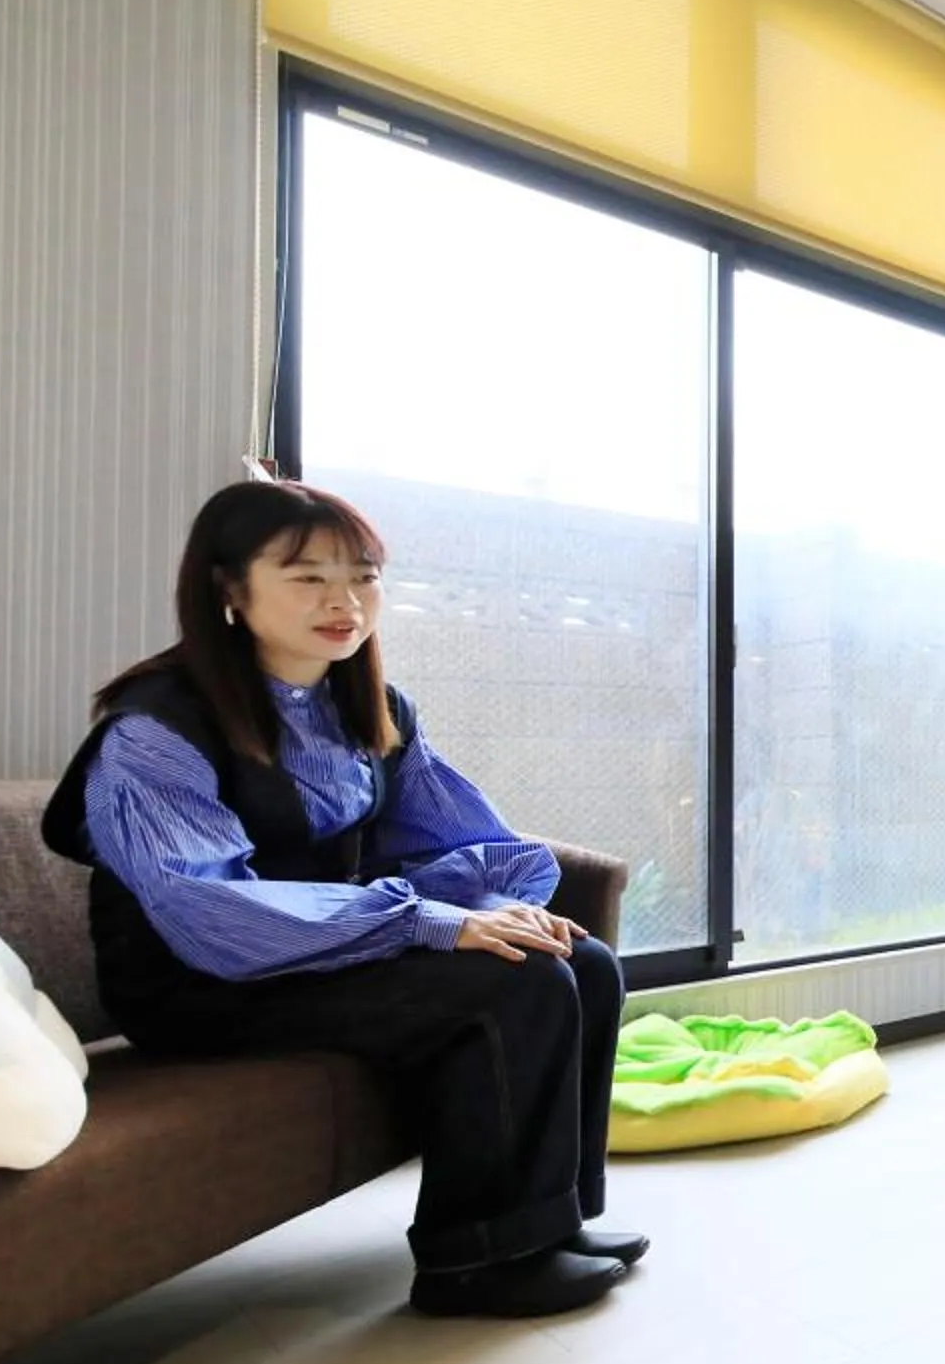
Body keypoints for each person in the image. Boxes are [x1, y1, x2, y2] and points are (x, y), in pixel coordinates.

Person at [42, 480, 645, 1320]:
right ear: (229, 588)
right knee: (513, 983)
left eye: (362, 577)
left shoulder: (369, 708)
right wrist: (425, 921)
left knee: (578, 960)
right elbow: (210, 915)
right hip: (202, 981)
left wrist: (496, 903)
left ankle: (550, 1224)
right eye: (306, 577)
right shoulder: (155, 728)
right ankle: (473, 1264)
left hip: (319, 949)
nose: (343, 601)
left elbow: (458, 839)